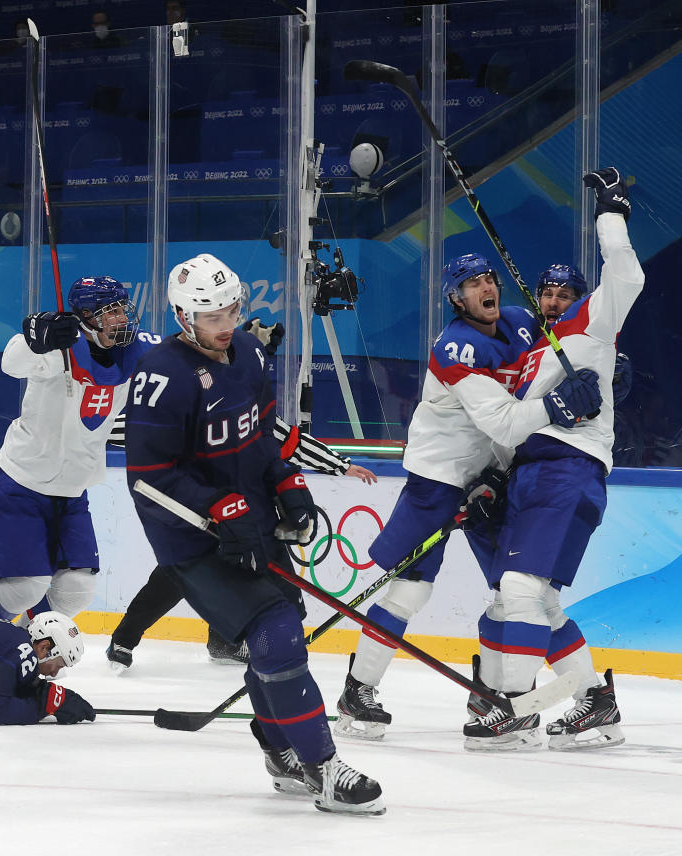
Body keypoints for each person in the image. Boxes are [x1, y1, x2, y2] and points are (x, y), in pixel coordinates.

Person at [124, 252, 384, 815]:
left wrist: (286, 483)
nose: (225, 324)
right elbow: (149, 479)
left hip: (252, 519)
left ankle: (277, 750)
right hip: (194, 540)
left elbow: (262, 434)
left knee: (281, 634)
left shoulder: (248, 351)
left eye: (232, 310)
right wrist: (218, 510)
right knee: (277, 637)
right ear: (181, 315)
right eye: (211, 315)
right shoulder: (159, 375)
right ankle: (323, 767)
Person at [332, 246, 603, 741]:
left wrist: (613, 367)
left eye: (489, 279)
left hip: (495, 478)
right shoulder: (455, 348)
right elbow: (503, 418)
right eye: (472, 284)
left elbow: (565, 344)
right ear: (456, 299)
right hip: (439, 478)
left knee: (523, 592)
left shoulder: (522, 323)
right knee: (413, 588)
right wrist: (560, 405)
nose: (486, 288)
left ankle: (571, 696)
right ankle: (359, 688)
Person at [465, 167, 641, 751]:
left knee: (518, 585)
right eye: (549, 292)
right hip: (531, 471)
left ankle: (513, 710)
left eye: (567, 292)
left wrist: (611, 211)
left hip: (570, 466)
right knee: (534, 596)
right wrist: (494, 473)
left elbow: (630, 274)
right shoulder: (532, 345)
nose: (556, 300)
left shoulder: (594, 318)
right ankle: (593, 702)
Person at [106, 323, 379, 670]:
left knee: (271, 586)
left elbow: (276, 435)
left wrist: (336, 465)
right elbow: (134, 437)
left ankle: (226, 643)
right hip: (201, 498)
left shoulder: (240, 378)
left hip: (246, 499)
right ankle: (125, 637)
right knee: (178, 575)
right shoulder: (176, 387)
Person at [0, 276, 157, 625]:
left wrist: (236, 344)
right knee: (24, 588)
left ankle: (23, 650)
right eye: (109, 311)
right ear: (86, 315)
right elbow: (12, 363)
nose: (120, 318)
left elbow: (180, 355)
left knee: (77, 589)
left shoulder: (135, 351)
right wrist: (33, 338)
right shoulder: (59, 348)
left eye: (121, 309)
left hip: (70, 491)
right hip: (20, 483)